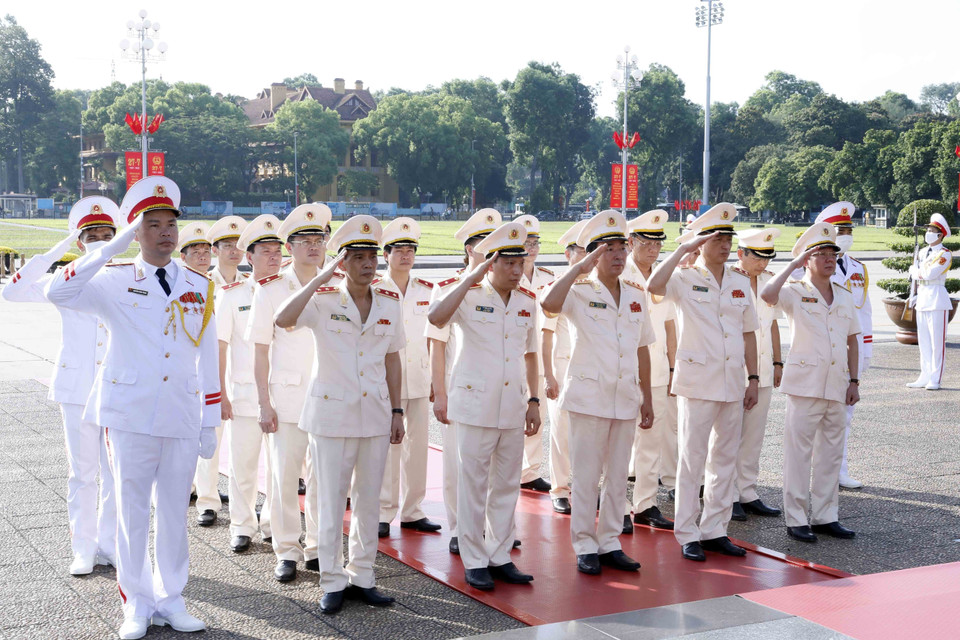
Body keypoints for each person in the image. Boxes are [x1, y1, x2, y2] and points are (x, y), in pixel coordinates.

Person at [46, 176, 219, 639]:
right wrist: (108, 247)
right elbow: (57, 292)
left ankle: (172, 598)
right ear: (135, 233)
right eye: (152, 224)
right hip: (129, 414)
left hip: (181, 413)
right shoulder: (114, 279)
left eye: (170, 225)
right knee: (131, 512)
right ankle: (136, 604)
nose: (165, 233)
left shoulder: (200, 285)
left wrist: (209, 419)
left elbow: (209, 356)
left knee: (173, 515)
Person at [275, 215, 405, 614]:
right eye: (358, 257)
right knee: (330, 501)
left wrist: (398, 409)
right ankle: (331, 579)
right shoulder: (323, 300)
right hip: (332, 416)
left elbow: (394, 358)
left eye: (372, 256)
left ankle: (363, 575)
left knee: (369, 501)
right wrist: (319, 278)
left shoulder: (388, 301)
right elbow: (283, 319)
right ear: (342, 261)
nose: (368, 264)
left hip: (375, 414)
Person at [2, 197, 120, 575]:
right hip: (76, 387)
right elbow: (13, 291)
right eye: (92, 236)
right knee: (82, 472)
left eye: (107, 235)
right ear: (81, 241)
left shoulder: (127, 276)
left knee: (117, 474)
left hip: (117, 387)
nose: (100, 241)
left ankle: (110, 544)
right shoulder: (62, 280)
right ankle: (83, 548)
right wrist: (61, 247)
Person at [428, 221, 541, 591]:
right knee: (473, 485)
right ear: (490, 264)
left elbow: (530, 353)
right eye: (507, 262)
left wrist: (534, 401)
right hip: (474, 404)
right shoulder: (465, 294)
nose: (515, 269)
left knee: (507, 485)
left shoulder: (527, 300)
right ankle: (474, 559)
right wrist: (471, 277)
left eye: (519, 262)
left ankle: (500, 554)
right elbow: (436, 318)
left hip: (512, 404)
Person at [541, 211, 655, 575]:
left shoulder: (636, 294)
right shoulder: (577, 291)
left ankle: (609, 542)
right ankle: (584, 545)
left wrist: (647, 398)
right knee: (587, 475)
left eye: (623, 248)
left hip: (625, 395)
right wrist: (579, 268)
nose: (620, 256)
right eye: (610, 249)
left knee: (618, 475)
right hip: (588, 397)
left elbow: (642, 348)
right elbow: (548, 304)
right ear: (594, 255)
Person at [647, 203, 760, 563]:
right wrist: (683, 249)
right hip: (697, 381)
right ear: (702, 241)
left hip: (731, 381)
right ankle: (687, 532)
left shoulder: (740, 282)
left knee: (724, 458)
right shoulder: (684, 277)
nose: (725, 244)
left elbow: (749, 334)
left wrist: (753, 378)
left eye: (728, 237)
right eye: (717, 238)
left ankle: (715, 529)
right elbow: (653, 285)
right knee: (691, 459)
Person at [246, 204, 333, 582]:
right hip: (288, 399)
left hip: (330, 398)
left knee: (323, 479)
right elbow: (261, 349)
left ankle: (317, 547)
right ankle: (286, 549)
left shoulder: (337, 284)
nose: (314, 247)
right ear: (290, 246)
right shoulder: (272, 289)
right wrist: (264, 403)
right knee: (282, 478)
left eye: (320, 239)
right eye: (305, 241)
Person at [760, 222, 861, 543]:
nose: (830, 259)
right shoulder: (795, 292)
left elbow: (853, 340)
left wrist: (855, 380)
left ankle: (826, 516)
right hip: (804, 385)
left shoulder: (844, 295)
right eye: (821, 254)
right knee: (798, 455)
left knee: (831, 454)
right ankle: (797, 519)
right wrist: (792, 264)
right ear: (808, 260)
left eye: (833, 254)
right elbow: (766, 294)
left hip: (837, 383)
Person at [427, 208, 502, 555]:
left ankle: (491, 528)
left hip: (499, 393)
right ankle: (459, 527)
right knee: (458, 465)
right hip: (462, 389)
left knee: (494, 467)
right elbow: (436, 344)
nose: (490, 253)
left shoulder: (510, 289)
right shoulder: (447, 288)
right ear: (469, 249)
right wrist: (439, 392)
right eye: (483, 246)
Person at [376, 218, 442, 538]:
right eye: (399, 249)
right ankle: (383, 511)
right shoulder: (376, 290)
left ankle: (413, 510)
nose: (406, 255)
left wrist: (434, 376)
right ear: (385, 254)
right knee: (389, 447)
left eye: (411, 249)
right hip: (386, 381)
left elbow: (432, 336)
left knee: (418, 449)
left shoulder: (426, 290)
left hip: (418, 377)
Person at [219, 216, 281, 552]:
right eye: (265, 251)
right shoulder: (232, 296)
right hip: (243, 396)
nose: (273, 257)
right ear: (249, 256)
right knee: (242, 466)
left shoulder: (290, 292)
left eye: (277, 251)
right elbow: (220, 346)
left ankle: (273, 523)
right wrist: (222, 394)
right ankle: (242, 525)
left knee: (279, 469)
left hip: (283, 395)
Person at [622, 209, 678, 532]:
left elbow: (670, 326)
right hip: (626, 371)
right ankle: (617, 505)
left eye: (658, 243)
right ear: (631, 242)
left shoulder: (663, 276)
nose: (653, 250)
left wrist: (672, 368)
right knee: (619, 445)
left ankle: (645, 504)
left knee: (651, 442)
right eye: (646, 242)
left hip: (656, 371)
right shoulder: (620, 273)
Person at [814, 202, 871, 489]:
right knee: (818, 416)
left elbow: (865, 313)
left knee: (844, 416)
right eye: (840, 230)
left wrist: (865, 353)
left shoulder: (858, 268)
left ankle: (839, 470)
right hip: (824, 352)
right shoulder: (809, 269)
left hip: (852, 350)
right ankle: (821, 471)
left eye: (848, 230)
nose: (845, 236)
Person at [729, 228, 784, 521]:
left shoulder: (768, 282)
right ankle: (728, 495)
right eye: (757, 258)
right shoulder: (728, 280)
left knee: (754, 435)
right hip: (735, 369)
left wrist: (778, 362)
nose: (762, 264)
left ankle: (747, 491)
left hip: (762, 369)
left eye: (766, 258)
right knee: (729, 435)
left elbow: (773, 323)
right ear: (741, 254)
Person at [173, 221, 224, 527]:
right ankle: (195, 492)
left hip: (218, 372)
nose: (203, 256)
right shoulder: (180, 287)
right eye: (196, 251)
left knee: (210, 437)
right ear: (184, 256)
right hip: (187, 377)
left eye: (207, 251)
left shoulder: (222, 283)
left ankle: (208, 496)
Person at [542, 220, 588, 514]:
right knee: (561, 434)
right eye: (581, 251)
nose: (586, 257)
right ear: (568, 254)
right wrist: (548, 375)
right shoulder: (556, 288)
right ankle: (559, 488)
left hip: (591, 371)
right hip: (562, 369)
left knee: (591, 437)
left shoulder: (600, 287)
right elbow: (544, 335)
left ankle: (586, 489)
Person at [514, 213, 553, 493]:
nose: (532, 247)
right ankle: (511, 469)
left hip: (540, 354)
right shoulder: (508, 276)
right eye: (527, 242)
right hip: (515, 355)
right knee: (512, 417)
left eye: (535, 242)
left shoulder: (548, 278)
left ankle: (530, 471)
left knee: (537, 415)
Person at [908, 213, 953, 391]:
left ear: (940, 235)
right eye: (927, 229)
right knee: (924, 341)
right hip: (924, 298)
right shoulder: (922, 252)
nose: (928, 233)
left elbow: (929, 274)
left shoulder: (944, 254)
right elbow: (920, 278)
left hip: (936, 298)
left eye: (931, 230)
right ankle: (924, 375)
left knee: (937, 343)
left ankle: (935, 378)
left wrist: (914, 271)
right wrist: (915, 294)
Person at [208, 216, 249, 289]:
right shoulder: (205, 283)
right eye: (228, 245)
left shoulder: (249, 283)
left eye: (239, 245)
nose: (235, 251)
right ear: (215, 250)